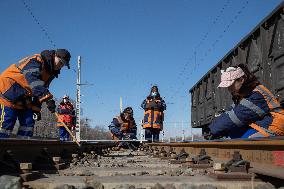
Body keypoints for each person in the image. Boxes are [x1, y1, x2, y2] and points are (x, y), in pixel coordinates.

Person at [0, 49, 71, 138]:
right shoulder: (36, 60)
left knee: (29, 121)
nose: (60, 66)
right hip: (8, 89)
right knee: (8, 120)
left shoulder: (51, 73)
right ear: (55, 56)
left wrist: (36, 109)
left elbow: (40, 90)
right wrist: (48, 98)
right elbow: (34, 80)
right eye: (60, 62)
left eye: (63, 65)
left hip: (24, 94)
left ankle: (22, 147)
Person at [205, 64, 284, 139]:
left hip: (274, 127)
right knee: (233, 132)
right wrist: (210, 128)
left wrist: (212, 130)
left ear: (241, 80)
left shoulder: (256, 95)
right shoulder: (243, 95)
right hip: (263, 124)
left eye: (230, 84)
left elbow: (236, 117)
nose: (229, 88)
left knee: (247, 142)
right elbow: (228, 113)